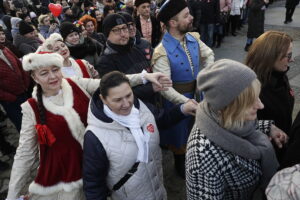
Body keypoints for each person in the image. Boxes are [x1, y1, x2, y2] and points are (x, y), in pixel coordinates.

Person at [6, 51, 173, 199]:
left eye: (55, 70)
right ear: (34, 77)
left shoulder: (75, 83)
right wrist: (13, 194)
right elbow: (25, 153)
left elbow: (108, 83)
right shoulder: (31, 108)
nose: (52, 77)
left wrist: (144, 77)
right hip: (68, 175)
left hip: (101, 163)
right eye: (44, 73)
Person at [83, 71, 197, 199]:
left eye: (128, 95)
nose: (126, 104)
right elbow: (93, 185)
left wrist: (183, 109)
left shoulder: (140, 107)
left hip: (157, 192)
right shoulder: (94, 137)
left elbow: (161, 119)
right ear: (103, 99)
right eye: (118, 100)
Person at [186, 59, 282, 199]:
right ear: (227, 107)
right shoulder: (203, 159)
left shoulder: (224, 115)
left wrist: (268, 127)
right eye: (250, 102)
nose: (261, 106)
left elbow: (241, 128)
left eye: (257, 97)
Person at [153, 0, 214, 177]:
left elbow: (208, 54)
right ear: (173, 23)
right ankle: (182, 168)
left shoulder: (193, 38)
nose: (191, 17)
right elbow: (164, 88)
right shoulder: (161, 51)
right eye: (186, 16)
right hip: (177, 102)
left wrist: (206, 73)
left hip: (197, 94)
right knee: (179, 138)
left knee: (197, 131)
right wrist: (186, 103)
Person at [245, 31, 294, 163]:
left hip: (281, 147)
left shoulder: (280, 75)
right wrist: (267, 128)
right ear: (271, 57)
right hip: (262, 156)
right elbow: (237, 124)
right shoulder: (250, 87)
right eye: (288, 56)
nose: (292, 60)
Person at [96, 13, 155, 103]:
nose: (123, 34)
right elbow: (119, 94)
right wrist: (152, 88)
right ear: (107, 34)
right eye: (116, 30)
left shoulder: (136, 49)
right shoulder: (105, 62)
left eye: (124, 28)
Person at [0, 41, 31, 132]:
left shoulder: (5, 49)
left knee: (33, 118)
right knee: (24, 126)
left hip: (24, 92)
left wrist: (26, 83)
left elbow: (20, 65)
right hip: (11, 101)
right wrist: (12, 98)